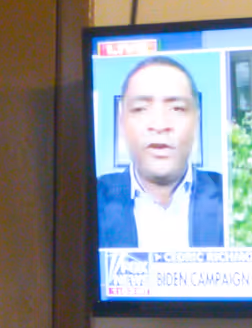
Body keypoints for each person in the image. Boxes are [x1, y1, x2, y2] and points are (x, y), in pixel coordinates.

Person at [96, 56, 225, 249]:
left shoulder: (232, 196)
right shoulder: (89, 200)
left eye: (176, 108)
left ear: (197, 121)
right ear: (121, 122)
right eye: (141, 109)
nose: (159, 125)